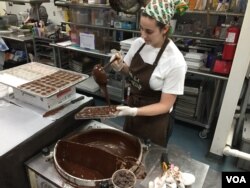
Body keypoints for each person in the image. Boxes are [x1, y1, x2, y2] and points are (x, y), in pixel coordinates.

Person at [110, 0, 188, 147]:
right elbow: (130, 72)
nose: (143, 35)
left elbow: (165, 105)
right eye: (141, 29)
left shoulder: (175, 61)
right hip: (133, 109)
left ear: (165, 29)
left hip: (156, 120)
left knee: (149, 160)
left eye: (149, 31)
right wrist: (119, 66)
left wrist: (134, 112)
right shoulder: (138, 44)